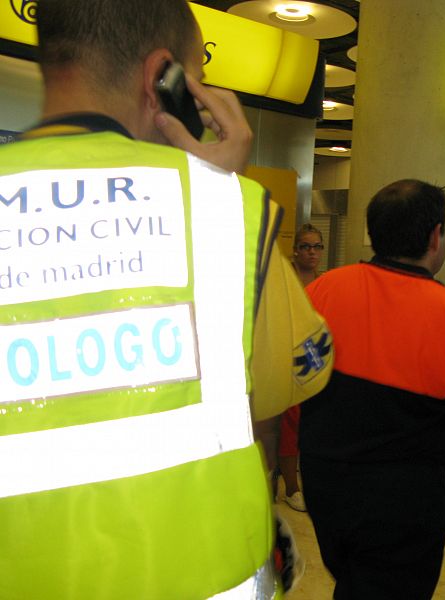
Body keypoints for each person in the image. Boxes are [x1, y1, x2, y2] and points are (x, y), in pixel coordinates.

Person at [0, 1, 332, 598]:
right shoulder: (228, 212)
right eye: (196, 73)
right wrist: (216, 181)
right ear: (163, 78)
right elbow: (295, 375)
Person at [299, 179, 445, 599]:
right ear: (436, 236)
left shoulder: (321, 291)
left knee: (355, 581)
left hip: (326, 485)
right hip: (404, 501)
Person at [272, 223, 326, 512]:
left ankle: (304, 480)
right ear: (295, 250)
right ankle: (291, 488)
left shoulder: (324, 281)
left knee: (311, 423)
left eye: (317, 246)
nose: (312, 252)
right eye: (306, 246)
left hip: (315, 358)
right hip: (285, 358)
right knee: (289, 424)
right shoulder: (283, 279)